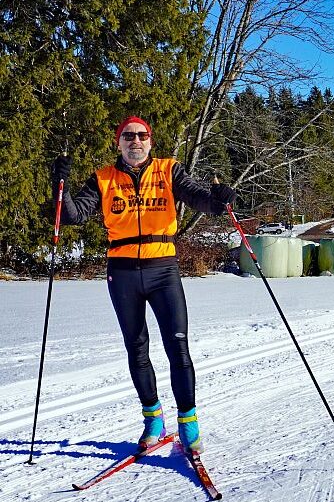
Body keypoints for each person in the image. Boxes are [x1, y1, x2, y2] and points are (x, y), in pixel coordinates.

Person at [51, 116, 236, 454]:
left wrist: (219, 200)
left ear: (150, 141)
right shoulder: (103, 178)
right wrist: (58, 184)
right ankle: (153, 420)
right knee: (136, 348)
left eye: (141, 135)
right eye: (128, 136)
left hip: (162, 269)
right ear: (118, 142)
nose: (135, 141)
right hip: (122, 272)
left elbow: (199, 198)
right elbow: (74, 215)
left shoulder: (169, 170)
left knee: (178, 347)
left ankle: (188, 423)